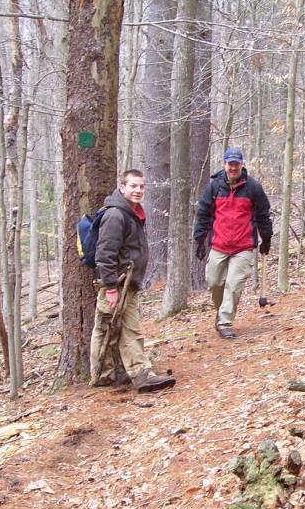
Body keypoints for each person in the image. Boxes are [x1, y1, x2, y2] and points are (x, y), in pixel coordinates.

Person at [90, 169, 175, 392]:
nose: (138, 190)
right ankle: (102, 375)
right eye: (133, 186)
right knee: (107, 328)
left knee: (129, 330)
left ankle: (138, 374)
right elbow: (105, 253)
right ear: (122, 187)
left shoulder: (132, 214)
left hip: (128, 283)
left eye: (141, 186)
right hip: (116, 283)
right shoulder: (116, 215)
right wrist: (110, 287)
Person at [193, 148, 273, 339]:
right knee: (214, 282)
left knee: (234, 284)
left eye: (237, 164)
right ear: (224, 165)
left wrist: (266, 238)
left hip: (243, 246)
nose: (233, 167)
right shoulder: (214, 187)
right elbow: (203, 214)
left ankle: (225, 322)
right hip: (219, 244)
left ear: (242, 164)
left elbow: (263, 215)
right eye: (230, 164)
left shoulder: (253, 187)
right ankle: (221, 312)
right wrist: (199, 240)